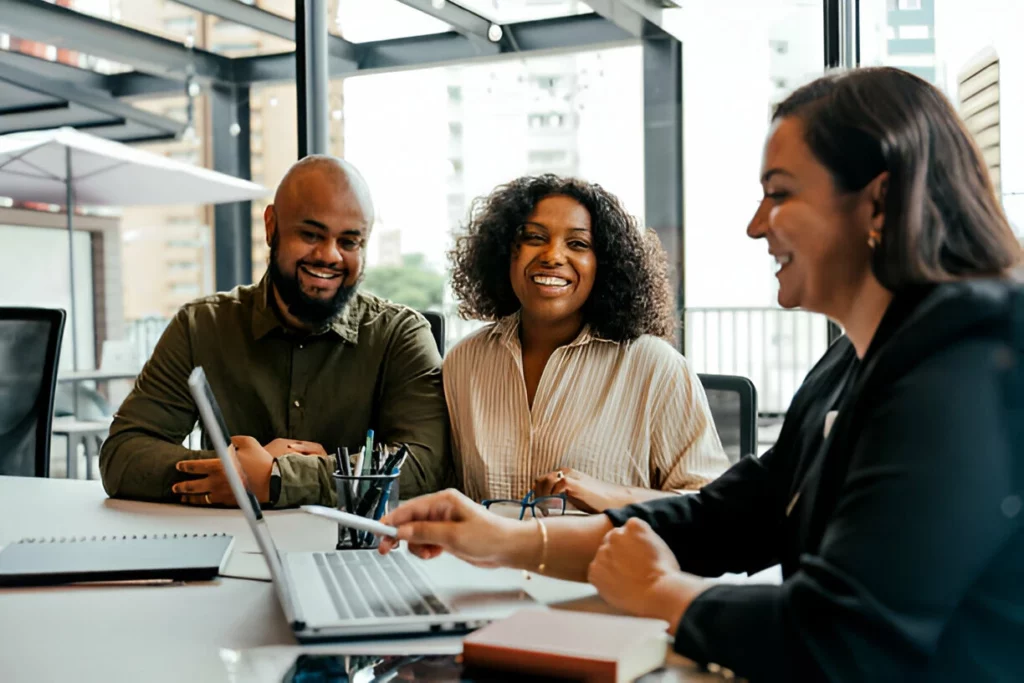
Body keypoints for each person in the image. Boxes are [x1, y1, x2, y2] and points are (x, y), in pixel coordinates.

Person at [379, 67, 1024, 682]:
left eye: (779, 193)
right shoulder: (851, 362)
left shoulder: (961, 362)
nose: (754, 225)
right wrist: (502, 541)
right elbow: (726, 517)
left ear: (878, 202)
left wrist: (667, 595)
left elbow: (843, 639)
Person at [100, 156, 449, 508]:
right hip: (225, 547)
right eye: (311, 234)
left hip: (354, 555)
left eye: (349, 242)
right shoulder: (200, 326)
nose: (330, 255)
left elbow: (423, 464)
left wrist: (277, 477)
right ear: (271, 227)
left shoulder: (400, 335)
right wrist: (233, 472)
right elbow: (122, 455)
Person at [443, 175, 729, 512]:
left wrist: (612, 497)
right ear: (506, 252)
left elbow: (713, 508)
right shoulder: (463, 362)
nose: (552, 256)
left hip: (603, 564)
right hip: (484, 563)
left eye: (578, 244)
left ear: (604, 264)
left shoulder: (656, 366)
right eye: (534, 238)